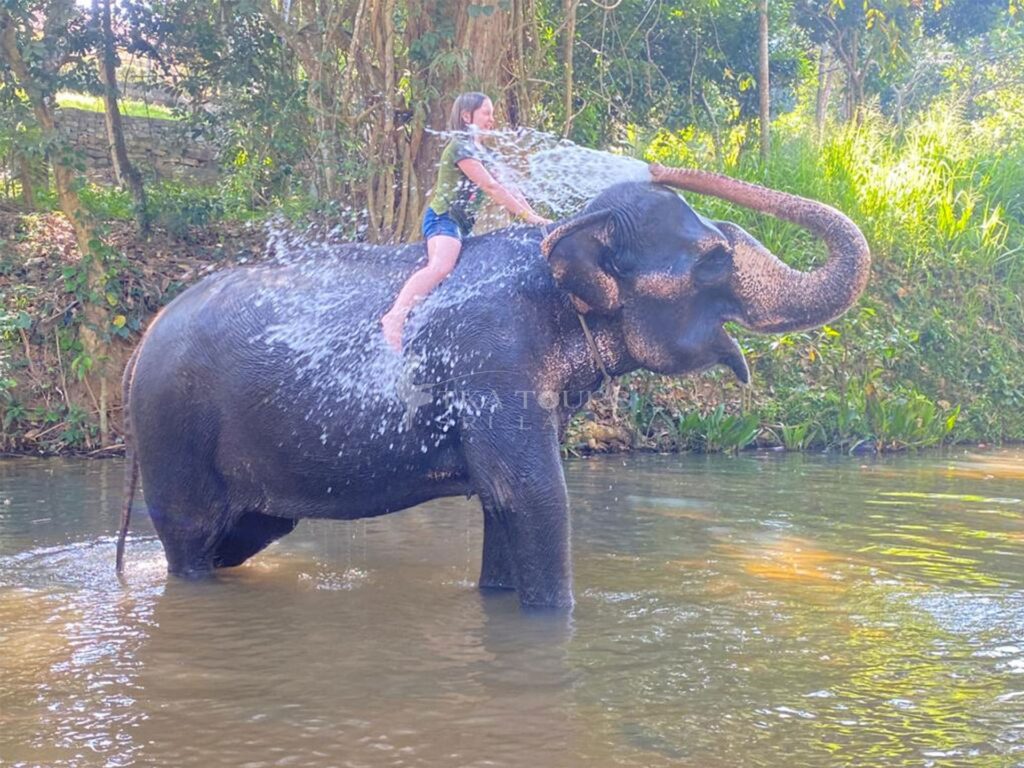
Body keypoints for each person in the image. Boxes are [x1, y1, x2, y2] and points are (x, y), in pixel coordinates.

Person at [381, 92, 552, 351]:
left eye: (492, 114)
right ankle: (395, 315)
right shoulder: (461, 147)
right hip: (443, 219)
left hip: (460, 227)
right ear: (466, 116)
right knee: (442, 266)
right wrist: (528, 216)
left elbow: (509, 186)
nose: (492, 119)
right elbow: (490, 186)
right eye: (486, 113)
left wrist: (536, 218)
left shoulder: (485, 152)